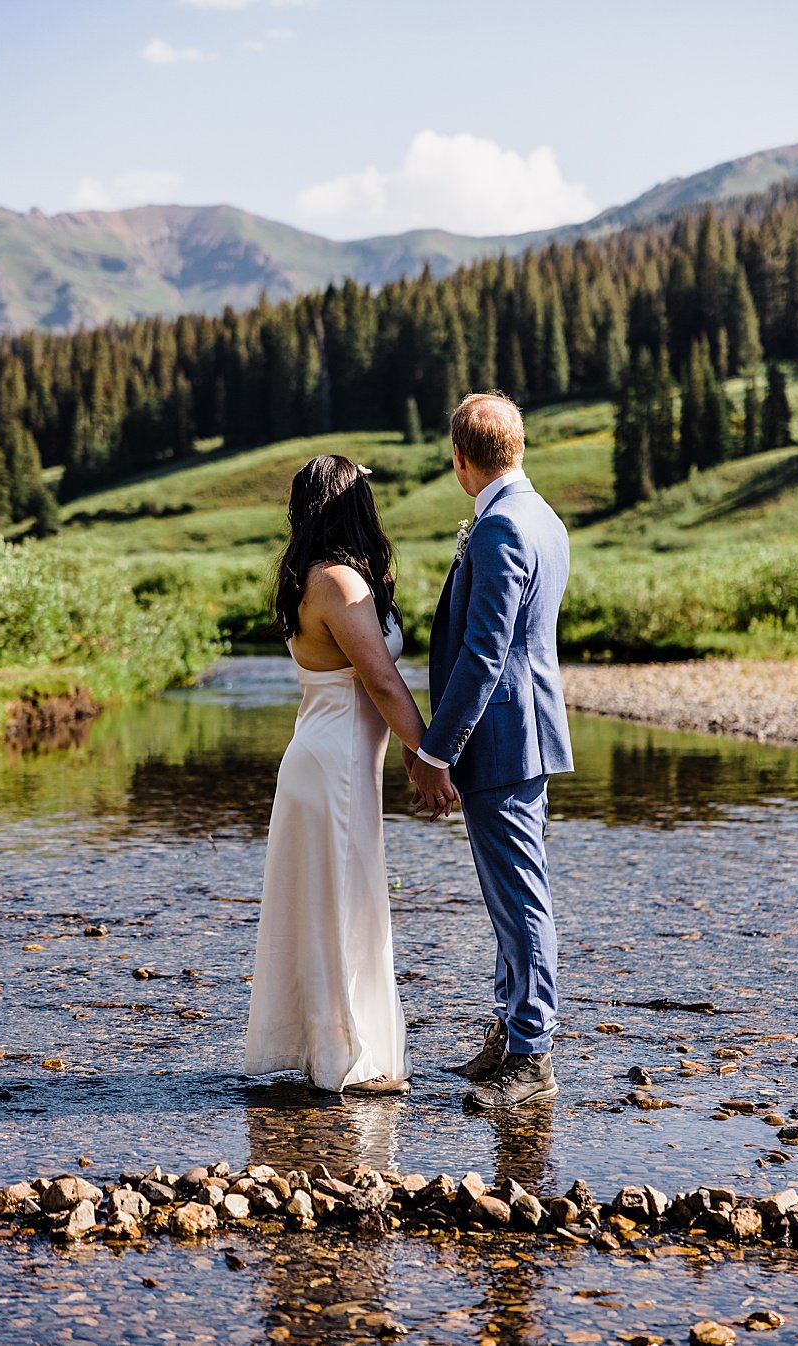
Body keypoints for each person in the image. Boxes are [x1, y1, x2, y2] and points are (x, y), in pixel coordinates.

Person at [408, 391, 574, 1110]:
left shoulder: (502, 527)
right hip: (521, 732)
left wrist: (437, 753)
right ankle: (509, 1032)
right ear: (518, 448)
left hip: (503, 738)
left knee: (520, 899)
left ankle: (532, 1056)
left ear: (460, 460)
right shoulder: (541, 516)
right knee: (509, 900)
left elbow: (483, 655)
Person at [245, 454, 420, 1096]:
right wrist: (431, 754)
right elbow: (379, 679)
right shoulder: (338, 582)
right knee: (343, 907)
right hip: (335, 769)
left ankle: (328, 1049)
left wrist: (405, 744)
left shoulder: (313, 575)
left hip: (328, 762)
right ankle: (342, 1056)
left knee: (335, 907)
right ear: (354, 507)